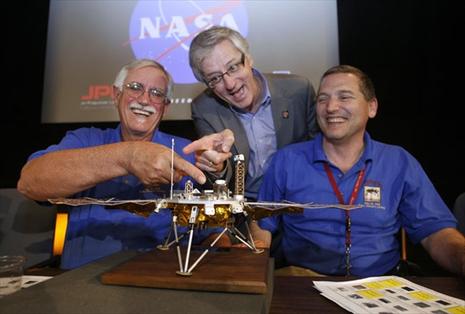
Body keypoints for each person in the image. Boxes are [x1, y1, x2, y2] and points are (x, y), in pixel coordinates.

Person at [252, 65, 465, 277]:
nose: (331, 107)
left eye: (344, 97)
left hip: (380, 286)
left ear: (371, 107)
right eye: (323, 99)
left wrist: (461, 258)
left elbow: (435, 232)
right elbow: (262, 226)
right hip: (303, 281)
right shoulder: (287, 160)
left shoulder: (398, 162)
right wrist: (256, 274)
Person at [17, 59, 231, 269]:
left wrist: (218, 169)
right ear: (116, 95)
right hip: (84, 282)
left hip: (165, 281)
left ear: (165, 107)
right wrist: (128, 156)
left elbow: (213, 231)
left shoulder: (186, 152)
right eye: (135, 88)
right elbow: (29, 183)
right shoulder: (85, 140)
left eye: (157, 94)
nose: (145, 100)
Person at [186, 26, 319, 200]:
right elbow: (224, 176)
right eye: (215, 78)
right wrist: (217, 167)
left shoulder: (299, 90)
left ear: (248, 59)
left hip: (298, 199)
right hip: (245, 206)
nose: (230, 84)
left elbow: (320, 152)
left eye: (233, 67)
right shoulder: (205, 108)